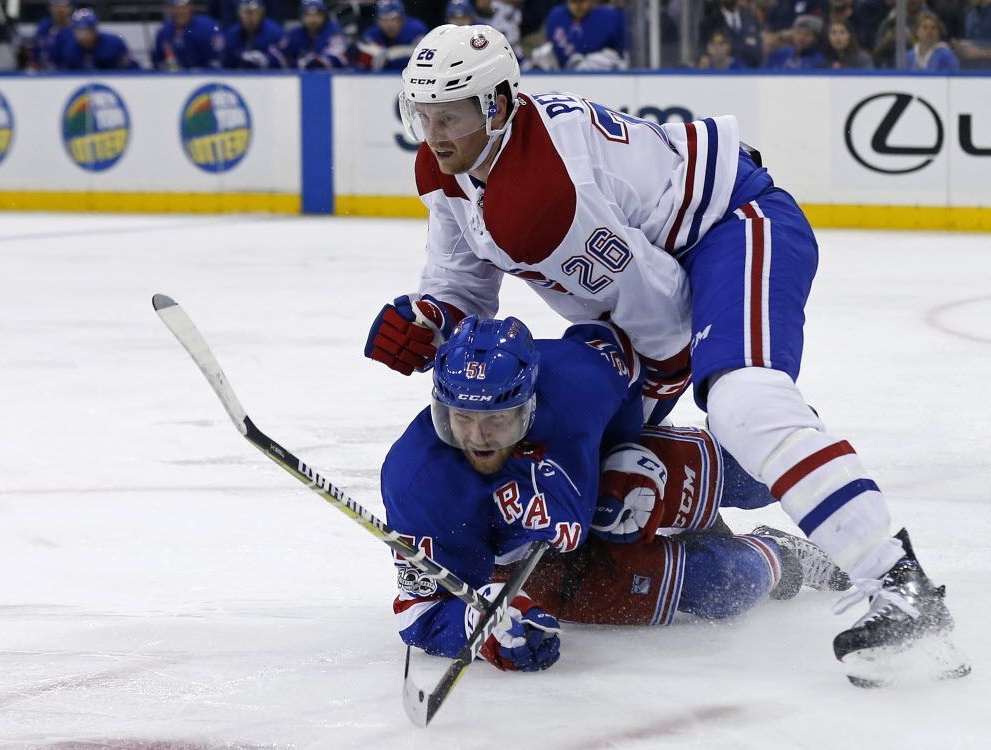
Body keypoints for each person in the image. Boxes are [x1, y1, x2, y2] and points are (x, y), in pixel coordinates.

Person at [364, 22, 970, 687]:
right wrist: (434, 315)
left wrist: (626, 426)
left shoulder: (541, 198)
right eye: (421, 114)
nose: (434, 132)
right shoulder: (458, 164)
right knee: (637, 448)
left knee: (743, 399)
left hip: (734, 224)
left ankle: (895, 581)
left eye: (449, 115)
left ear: (499, 105)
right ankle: (751, 510)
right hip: (678, 255)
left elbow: (658, 311)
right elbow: (463, 280)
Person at [383, 315, 849, 669]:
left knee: (750, 476)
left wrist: (628, 450)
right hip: (540, 564)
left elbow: (620, 350)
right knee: (725, 587)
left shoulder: (576, 378)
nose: (477, 438)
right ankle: (782, 554)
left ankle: (785, 459)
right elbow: (421, 612)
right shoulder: (418, 484)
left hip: (607, 477)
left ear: (531, 400)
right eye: (460, 418)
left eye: (495, 420)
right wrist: (478, 627)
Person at [536, 0, 627, 71]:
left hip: (598, 75)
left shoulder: (610, 17)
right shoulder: (556, 16)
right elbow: (548, 46)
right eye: (574, 1)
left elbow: (620, 54)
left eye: (582, 1)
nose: (578, 6)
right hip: (562, 73)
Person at [150, 0, 224, 71]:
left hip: (206, 77)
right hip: (176, 79)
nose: (180, 11)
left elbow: (218, 59)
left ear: (191, 7)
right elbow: (158, 61)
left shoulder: (207, 27)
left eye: (183, 7)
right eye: (175, 7)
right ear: (171, 9)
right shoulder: (164, 31)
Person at [56, 8, 139, 70]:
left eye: (87, 30)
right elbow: (65, 76)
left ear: (95, 30)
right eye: (79, 30)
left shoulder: (114, 44)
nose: (83, 35)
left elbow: (131, 70)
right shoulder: (69, 48)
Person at [357, 0, 428, 72]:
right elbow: (366, 68)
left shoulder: (416, 29)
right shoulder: (372, 34)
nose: (389, 25)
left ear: (402, 19)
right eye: (384, 20)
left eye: (393, 19)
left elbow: (424, 59)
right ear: (377, 21)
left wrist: (389, 53)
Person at [277, 0, 349, 70]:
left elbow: (338, 57)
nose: (313, 19)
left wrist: (320, 62)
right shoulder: (295, 33)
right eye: (308, 15)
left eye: (317, 15)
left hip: (331, 77)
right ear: (301, 16)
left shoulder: (334, 30)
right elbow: (280, 56)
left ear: (324, 16)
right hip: (301, 76)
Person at [699, 0, 764, 68]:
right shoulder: (709, 24)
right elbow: (703, 54)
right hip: (722, 76)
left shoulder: (751, 19)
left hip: (752, 75)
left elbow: (759, 53)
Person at [222, 0, 285, 69]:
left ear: (261, 13)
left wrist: (267, 61)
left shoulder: (275, 33)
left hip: (268, 77)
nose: (250, 18)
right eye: (246, 12)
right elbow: (225, 65)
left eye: (255, 12)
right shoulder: (231, 35)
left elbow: (284, 64)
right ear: (239, 13)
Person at [28, 0, 74, 71]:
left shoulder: (78, 29)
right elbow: (35, 57)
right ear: (50, 8)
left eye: (63, 6)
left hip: (72, 75)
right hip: (45, 76)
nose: (60, 9)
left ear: (70, 8)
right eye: (56, 6)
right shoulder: (42, 28)